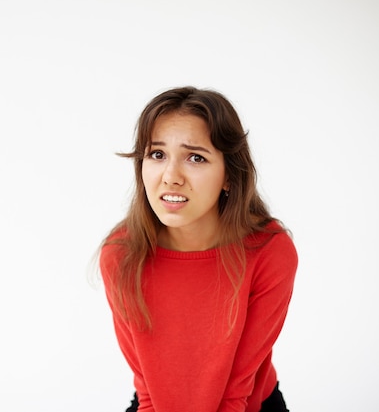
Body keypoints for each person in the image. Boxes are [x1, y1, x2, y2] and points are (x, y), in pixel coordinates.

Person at [98, 86, 298, 412]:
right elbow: (147, 391)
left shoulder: (269, 252)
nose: (170, 177)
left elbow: (236, 395)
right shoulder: (122, 254)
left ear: (229, 176)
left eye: (195, 157)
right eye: (157, 154)